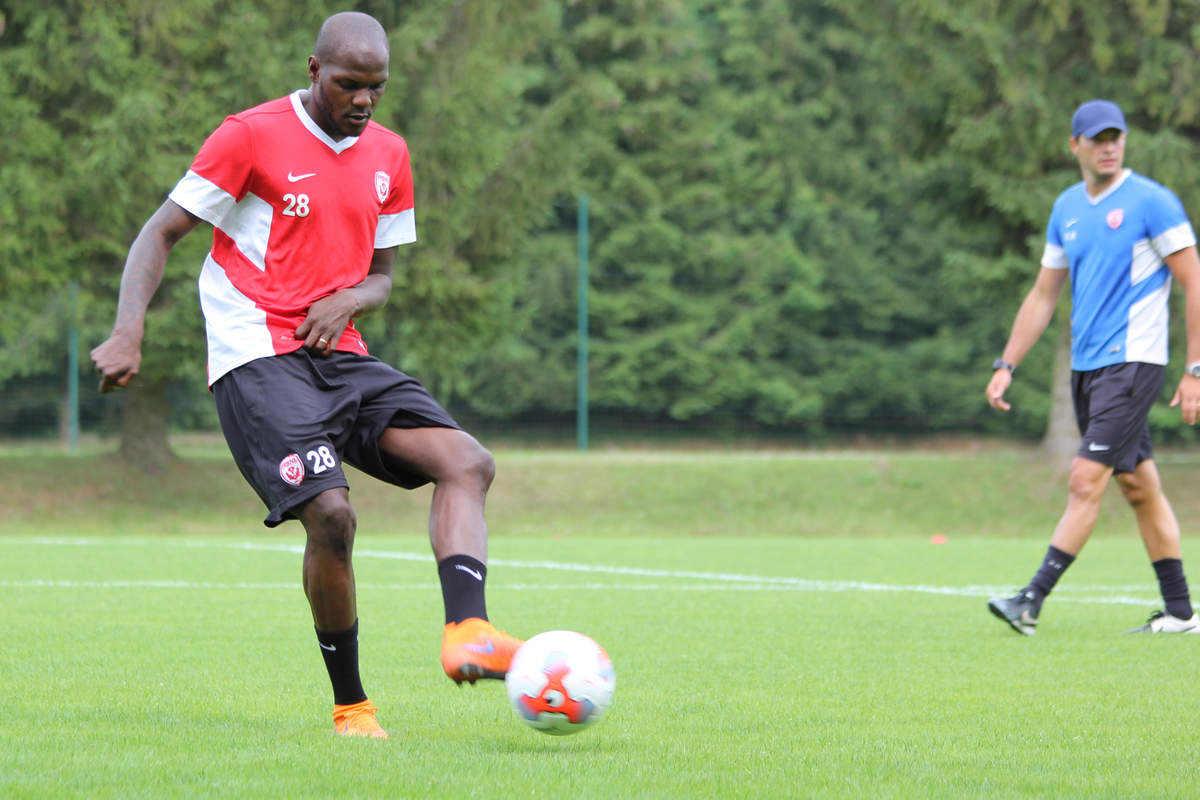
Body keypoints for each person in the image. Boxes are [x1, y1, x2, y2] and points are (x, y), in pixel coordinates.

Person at [90, 11, 523, 738]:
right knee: (333, 516)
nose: (363, 101)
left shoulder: (390, 153)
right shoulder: (250, 134)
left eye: (376, 88)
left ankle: (468, 631)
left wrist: (350, 297)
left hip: (340, 356)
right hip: (257, 356)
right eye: (350, 84)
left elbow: (381, 276)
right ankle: (352, 706)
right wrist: (128, 328)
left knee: (466, 462)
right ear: (315, 69)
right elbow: (160, 230)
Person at [985, 99, 1200, 636]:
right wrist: (1007, 363)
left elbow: (1195, 281)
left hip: (1132, 364)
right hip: (1088, 371)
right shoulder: (1067, 209)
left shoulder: (1152, 201)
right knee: (1138, 486)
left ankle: (1030, 601)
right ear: (1074, 144)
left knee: (1086, 480)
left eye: (1116, 137)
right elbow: (1042, 296)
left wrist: (1196, 368)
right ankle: (1180, 614)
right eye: (1097, 138)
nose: (1109, 146)